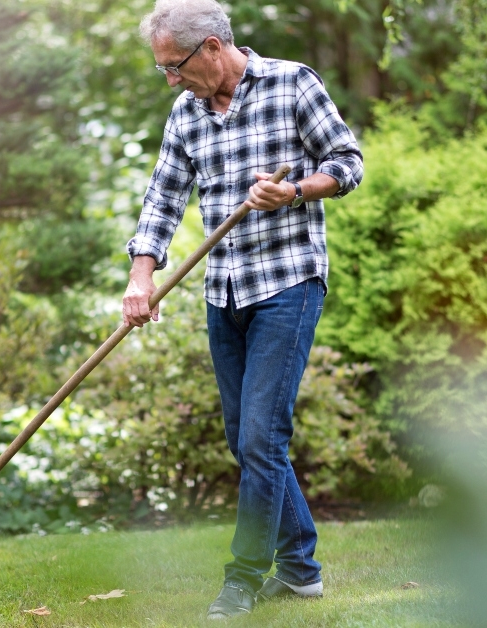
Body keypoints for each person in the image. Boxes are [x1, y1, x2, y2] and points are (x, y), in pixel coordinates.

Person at [122, 0, 363, 619]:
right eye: (162, 71)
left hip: (288, 283)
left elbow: (348, 163)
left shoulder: (292, 83)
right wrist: (140, 279)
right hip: (223, 290)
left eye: (174, 66)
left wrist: (295, 191)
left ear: (210, 48)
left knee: (262, 436)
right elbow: (162, 201)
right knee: (245, 440)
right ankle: (302, 571)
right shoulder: (187, 114)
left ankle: (246, 576)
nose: (170, 80)